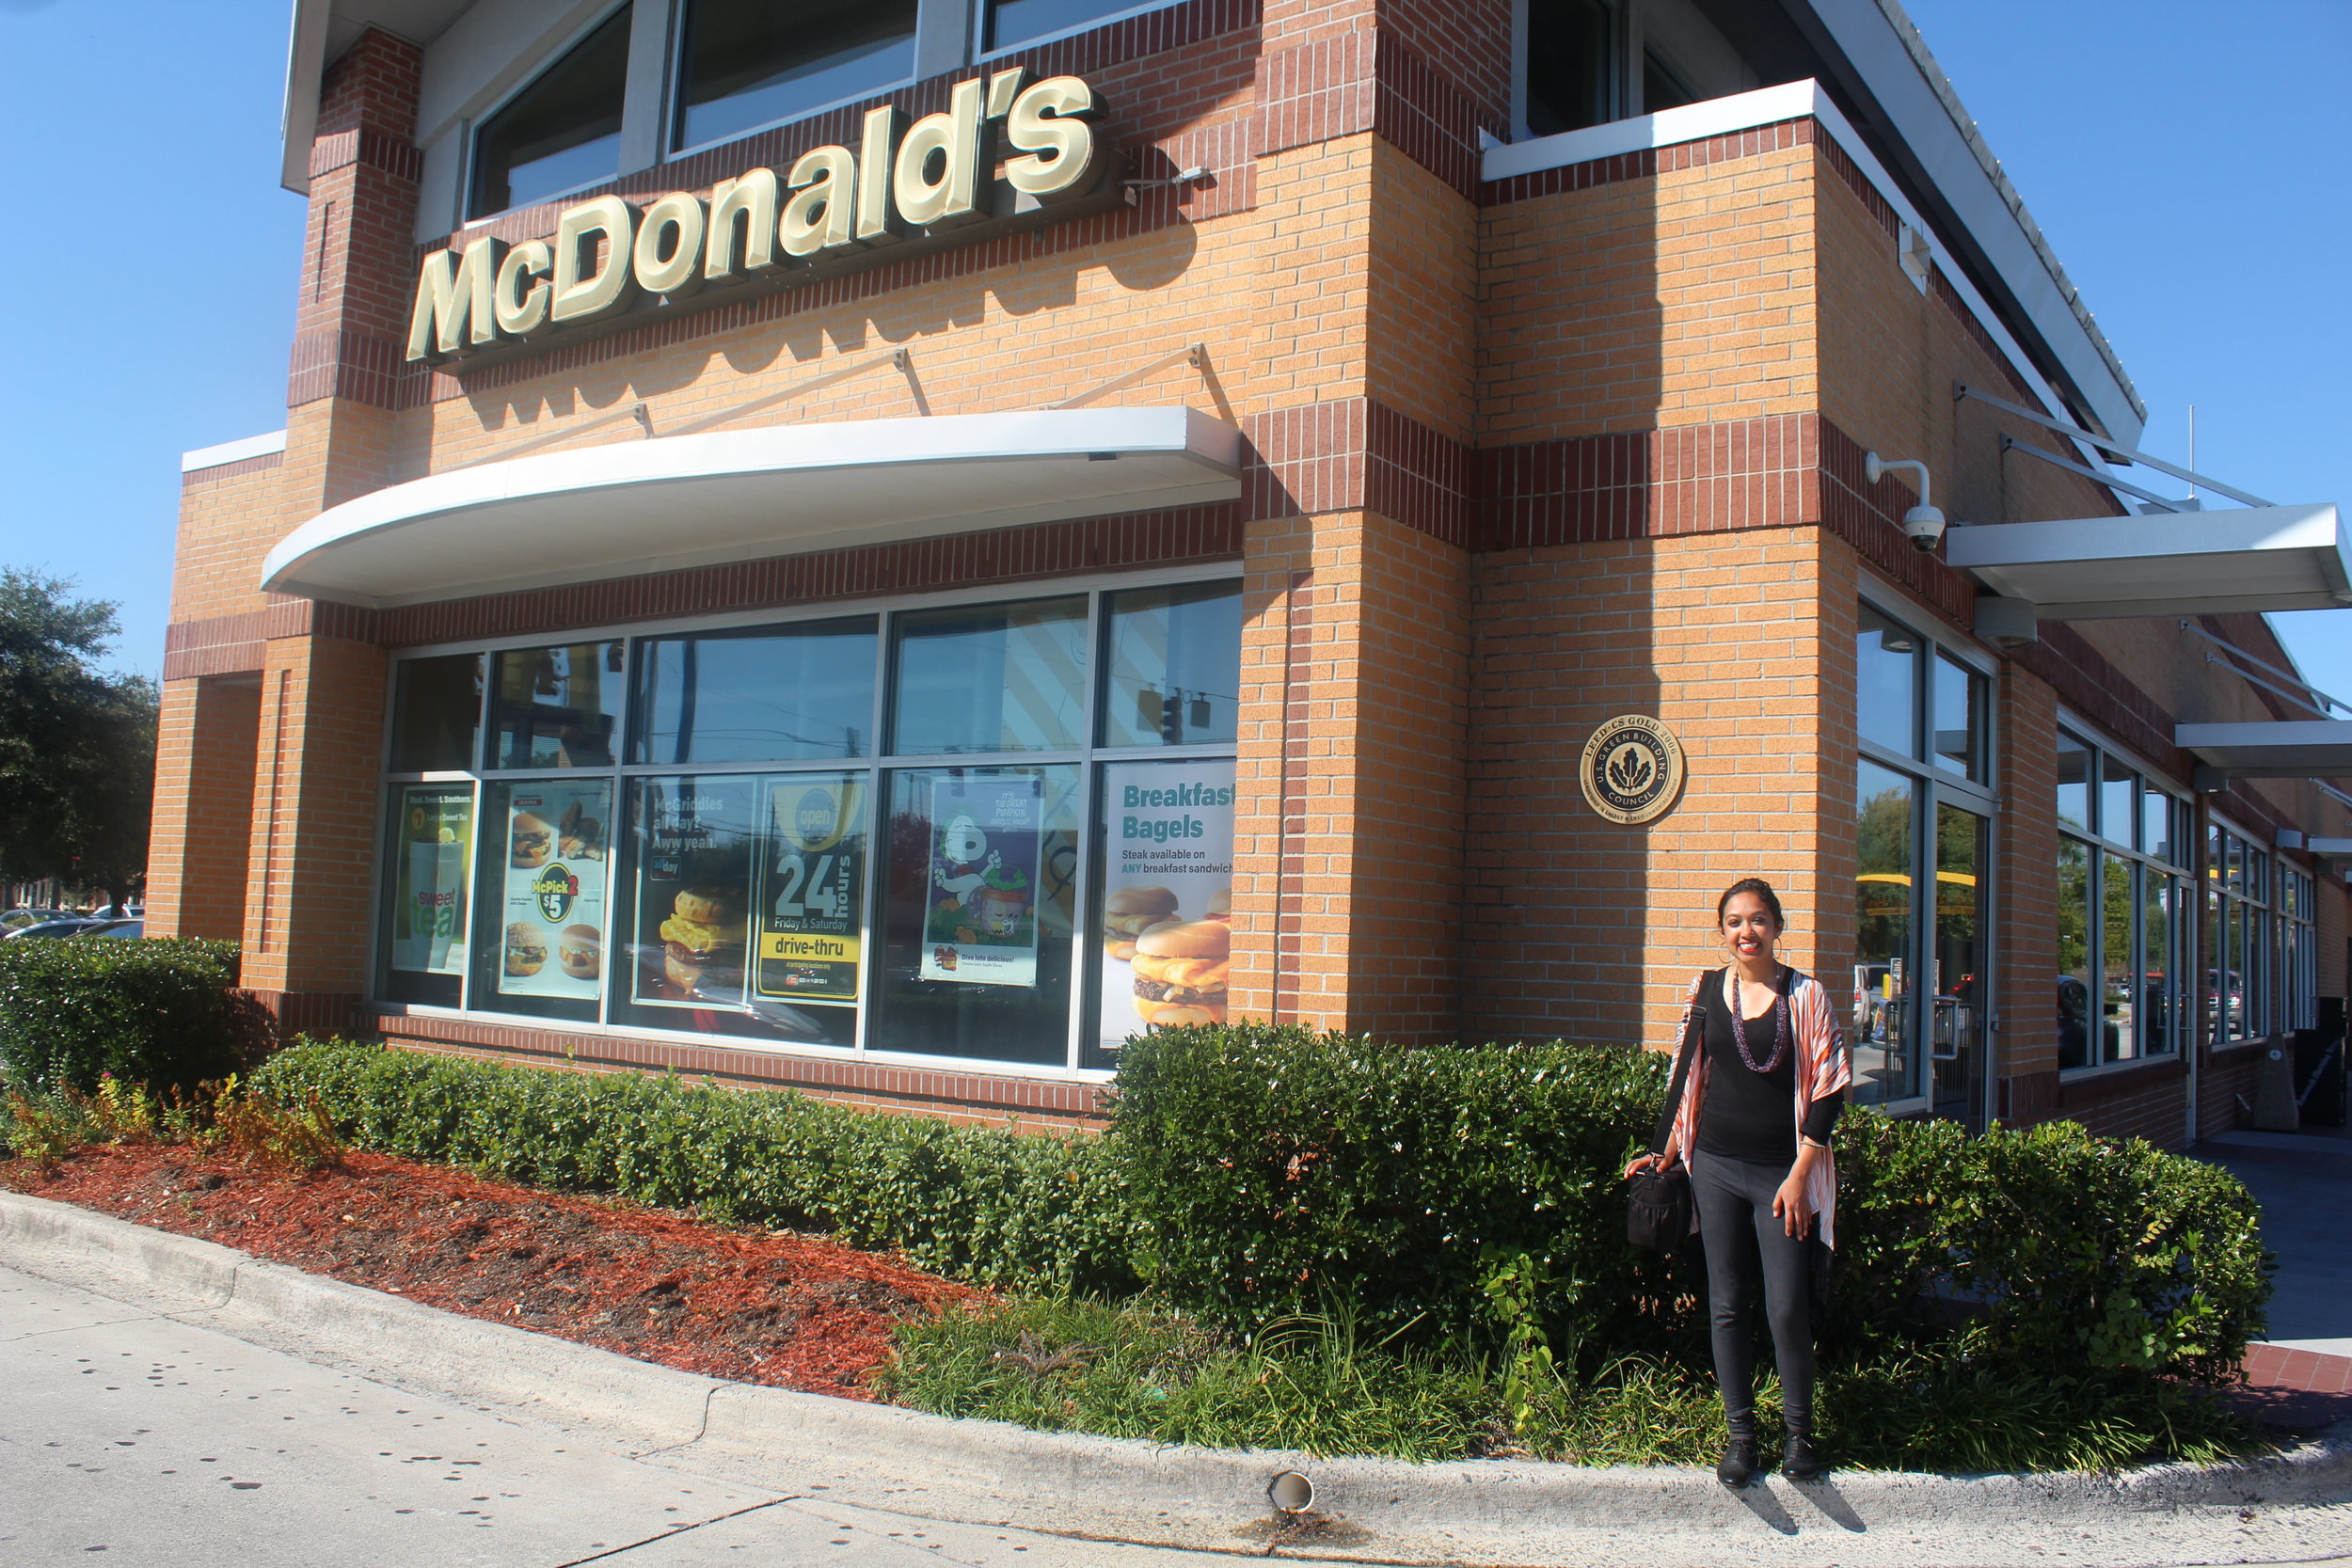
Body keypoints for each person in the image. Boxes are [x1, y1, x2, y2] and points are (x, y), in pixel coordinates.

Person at [1625, 877, 1851, 1486]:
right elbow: (1686, 1077)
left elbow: (1830, 1085)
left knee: (1784, 1307)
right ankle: (1741, 1437)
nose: (1745, 931)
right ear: (1722, 931)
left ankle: (1800, 1436)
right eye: (1733, 922)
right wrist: (1663, 1153)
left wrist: (1803, 1173)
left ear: (1776, 925)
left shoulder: (1805, 994)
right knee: (1725, 1304)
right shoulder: (1705, 991)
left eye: (1756, 919)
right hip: (1717, 1167)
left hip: (1783, 1174)